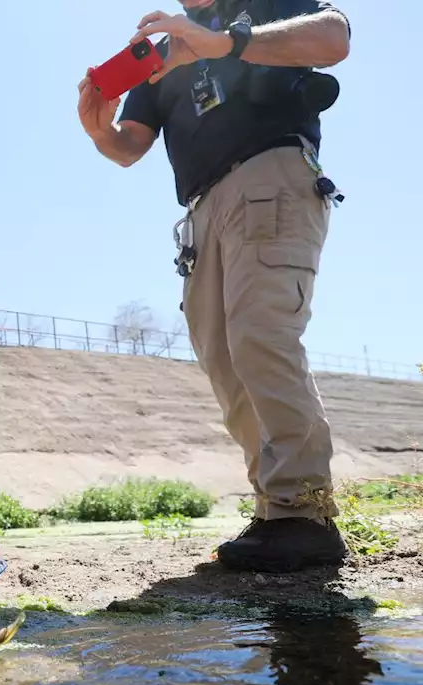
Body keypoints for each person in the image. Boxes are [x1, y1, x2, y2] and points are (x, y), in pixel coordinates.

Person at [76, 0, 352, 572]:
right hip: (201, 212)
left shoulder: (269, 7)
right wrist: (100, 132)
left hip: (270, 174)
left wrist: (226, 42)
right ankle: (279, 510)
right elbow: (130, 146)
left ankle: (304, 512)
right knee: (224, 358)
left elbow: (334, 37)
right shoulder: (160, 52)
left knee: (260, 335)